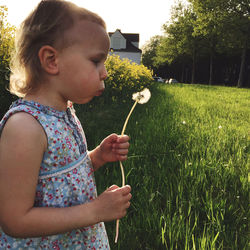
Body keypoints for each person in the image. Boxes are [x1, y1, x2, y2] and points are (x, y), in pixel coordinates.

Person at [0, 0, 132, 249]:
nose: (104, 72)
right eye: (96, 61)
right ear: (51, 60)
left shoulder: (66, 111)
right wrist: (95, 211)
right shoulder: (25, 128)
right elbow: (14, 220)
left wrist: (97, 157)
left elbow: (58, 181)